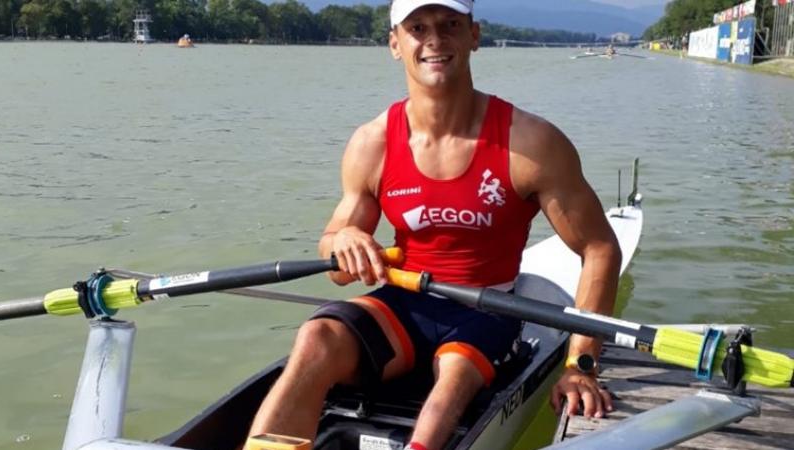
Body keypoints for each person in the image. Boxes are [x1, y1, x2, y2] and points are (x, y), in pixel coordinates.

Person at [245, 1, 621, 449]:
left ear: (474, 36)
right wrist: (343, 239)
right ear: (395, 44)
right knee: (314, 338)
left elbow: (599, 247)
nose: (434, 41)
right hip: (405, 305)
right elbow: (337, 270)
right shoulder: (372, 143)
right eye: (417, 28)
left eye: (450, 26)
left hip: (490, 308)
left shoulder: (530, 143)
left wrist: (580, 366)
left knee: (453, 376)